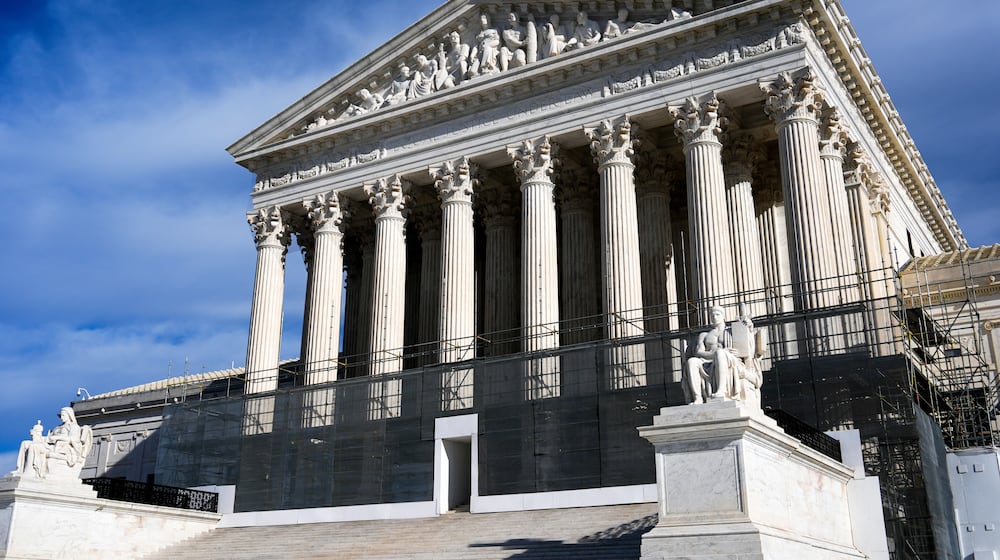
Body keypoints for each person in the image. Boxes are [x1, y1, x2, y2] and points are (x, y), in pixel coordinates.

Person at [683, 305, 764, 405]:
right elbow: (698, 353)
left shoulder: (732, 331)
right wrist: (713, 354)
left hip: (730, 360)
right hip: (708, 362)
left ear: (723, 316)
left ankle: (721, 391)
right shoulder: (704, 335)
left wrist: (749, 327)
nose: (715, 317)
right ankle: (697, 398)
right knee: (692, 361)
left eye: (717, 314)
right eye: (712, 315)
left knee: (720, 353)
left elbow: (749, 347)